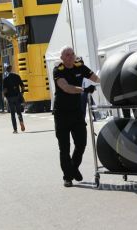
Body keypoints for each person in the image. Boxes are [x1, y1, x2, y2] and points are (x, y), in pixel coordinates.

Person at [53, 46, 100, 187]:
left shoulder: (80, 67)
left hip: (76, 112)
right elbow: (66, 87)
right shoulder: (58, 70)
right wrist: (84, 89)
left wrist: (108, 80)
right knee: (64, 147)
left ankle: (73, 168)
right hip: (61, 114)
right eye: (67, 55)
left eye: (72, 54)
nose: (70, 57)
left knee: (81, 143)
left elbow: (96, 78)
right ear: (62, 58)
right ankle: (67, 177)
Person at [3, 64, 25, 133]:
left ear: (6, 70)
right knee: (19, 112)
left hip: (10, 98)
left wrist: (6, 97)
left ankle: (15, 129)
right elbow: (22, 86)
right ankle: (21, 121)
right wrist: (22, 93)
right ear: (11, 69)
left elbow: (5, 90)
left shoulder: (5, 79)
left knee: (12, 114)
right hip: (17, 96)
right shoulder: (17, 76)